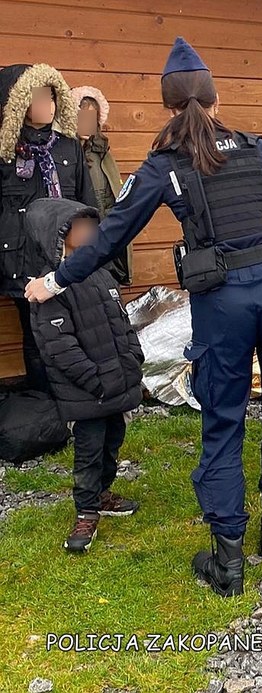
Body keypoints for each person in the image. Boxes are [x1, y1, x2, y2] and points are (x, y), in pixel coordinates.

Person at [26, 38, 262, 597]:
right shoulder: (255, 149)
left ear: (169, 108)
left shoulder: (163, 167)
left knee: (223, 421)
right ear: (215, 101)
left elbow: (111, 236)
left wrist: (53, 281)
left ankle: (229, 560)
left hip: (225, 299)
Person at [26, 199, 143, 553]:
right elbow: (59, 349)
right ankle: (86, 511)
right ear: (61, 235)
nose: (92, 232)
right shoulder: (49, 289)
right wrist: (96, 380)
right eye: (82, 227)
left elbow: (121, 323)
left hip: (115, 386)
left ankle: (103, 493)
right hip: (88, 392)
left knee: (113, 441)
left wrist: (133, 359)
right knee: (89, 451)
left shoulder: (102, 274)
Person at [0, 63, 96, 392]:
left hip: (68, 257)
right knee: (36, 334)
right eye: (38, 96)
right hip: (21, 260)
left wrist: (93, 250)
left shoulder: (67, 147)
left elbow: (87, 202)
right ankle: (45, 402)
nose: (47, 103)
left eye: (51, 96)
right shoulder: (4, 152)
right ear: (18, 103)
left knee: (76, 329)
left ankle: (79, 399)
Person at [71, 85, 132, 285]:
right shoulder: (66, 154)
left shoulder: (103, 153)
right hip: (80, 236)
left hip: (107, 235)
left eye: (92, 118)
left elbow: (115, 193)